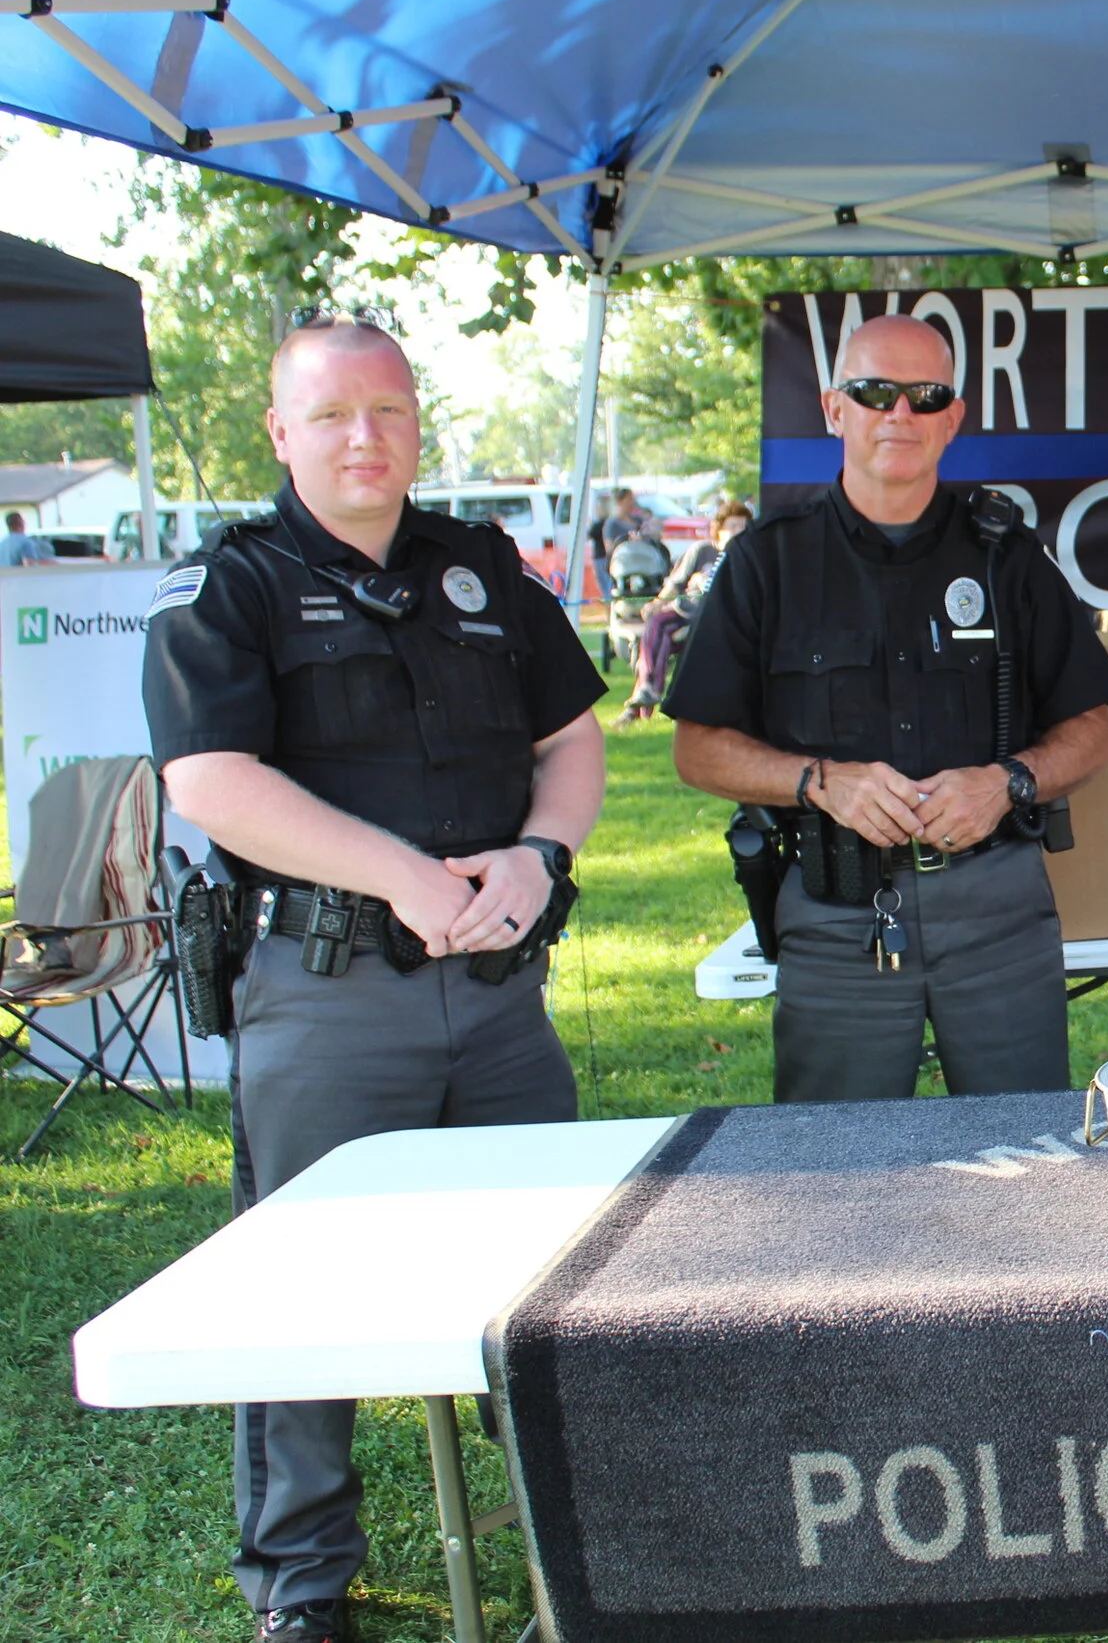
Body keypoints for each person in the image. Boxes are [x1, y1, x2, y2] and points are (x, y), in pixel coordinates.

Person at [139, 315, 607, 1643]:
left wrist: (539, 850)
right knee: (307, 1285)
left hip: (500, 987)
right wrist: (398, 874)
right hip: (329, 988)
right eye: (333, 414)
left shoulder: (478, 567)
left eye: (389, 412)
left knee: (547, 1273)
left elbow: (571, 739)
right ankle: (302, 1580)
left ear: (416, 424)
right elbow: (212, 781)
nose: (365, 437)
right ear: (280, 433)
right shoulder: (226, 586)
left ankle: (570, 1540)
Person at [665, 314, 1108, 1097]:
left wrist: (1006, 781)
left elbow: (1090, 728)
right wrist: (820, 781)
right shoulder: (768, 561)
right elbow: (698, 747)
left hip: (998, 911)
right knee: (839, 1170)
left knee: (1028, 1157)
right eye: (876, 392)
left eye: (925, 395)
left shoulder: (1006, 555)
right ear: (834, 408)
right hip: (837, 906)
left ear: (954, 416)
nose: (899, 414)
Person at [618, 498, 749, 721]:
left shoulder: (747, 558)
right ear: (719, 530)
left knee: (662, 633)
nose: (739, 532)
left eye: (743, 528)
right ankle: (646, 693)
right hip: (685, 613)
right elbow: (675, 584)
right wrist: (657, 603)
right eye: (733, 527)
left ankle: (642, 701)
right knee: (659, 626)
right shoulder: (702, 551)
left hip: (718, 622)